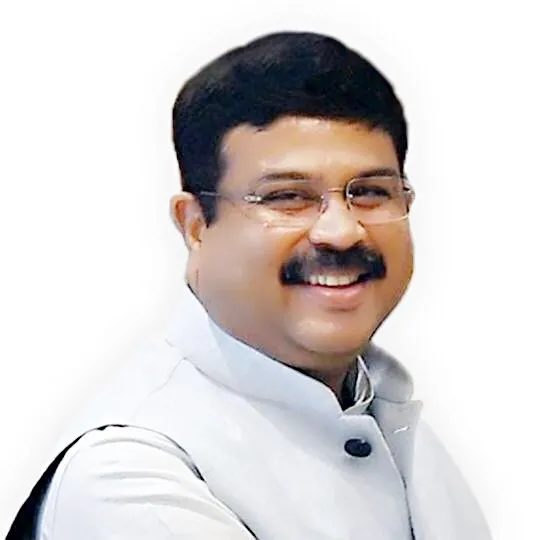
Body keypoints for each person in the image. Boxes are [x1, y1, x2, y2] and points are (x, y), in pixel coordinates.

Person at [7, 32, 492, 540]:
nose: (342, 231)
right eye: (287, 197)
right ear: (196, 225)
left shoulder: (380, 404)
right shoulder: (130, 476)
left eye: (370, 192)